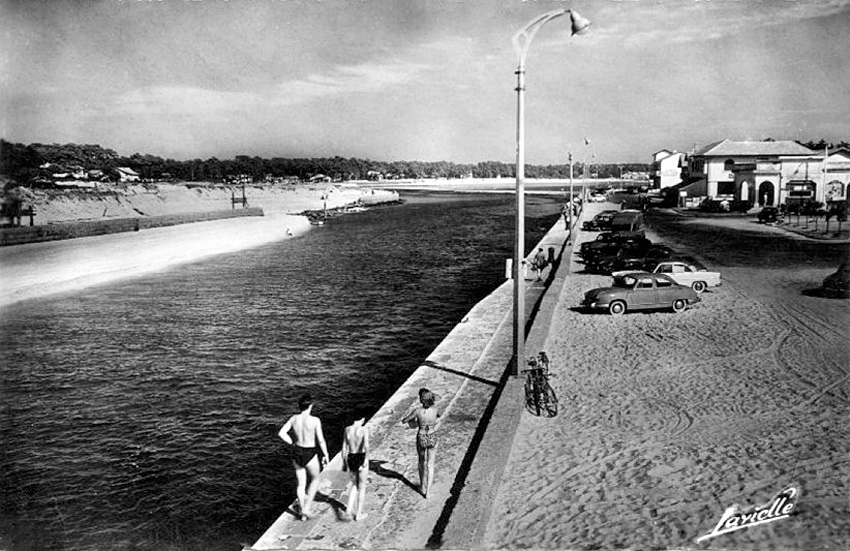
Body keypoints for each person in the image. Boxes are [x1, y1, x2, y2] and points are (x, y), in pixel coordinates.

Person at [278, 394, 329, 520]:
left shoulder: (293, 418)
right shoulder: (315, 420)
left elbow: (281, 433)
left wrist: (292, 443)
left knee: (301, 484)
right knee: (315, 479)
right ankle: (307, 508)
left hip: (297, 451)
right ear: (310, 406)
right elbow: (321, 440)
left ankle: (302, 513)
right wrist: (326, 454)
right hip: (310, 452)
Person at [401, 388, 441, 498]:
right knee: (430, 464)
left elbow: (404, 420)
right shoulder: (435, 409)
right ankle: (428, 492)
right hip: (432, 435)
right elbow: (439, 416)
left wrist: (413, 421)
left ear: (421, 400)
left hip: (421, 436)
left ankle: (422, 486)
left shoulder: (417, 411)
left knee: (421, 462)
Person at [342, 417, 370, 521]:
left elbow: (344, 448)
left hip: (351, 457)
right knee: (362, 487)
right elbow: (366, 445)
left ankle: (348, 510)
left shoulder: (347, 429)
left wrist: (344, 463)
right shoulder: (363, 429)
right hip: (361, 456)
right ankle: (359, 514)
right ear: (361, 419)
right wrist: (366, 459)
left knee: (354, 484)